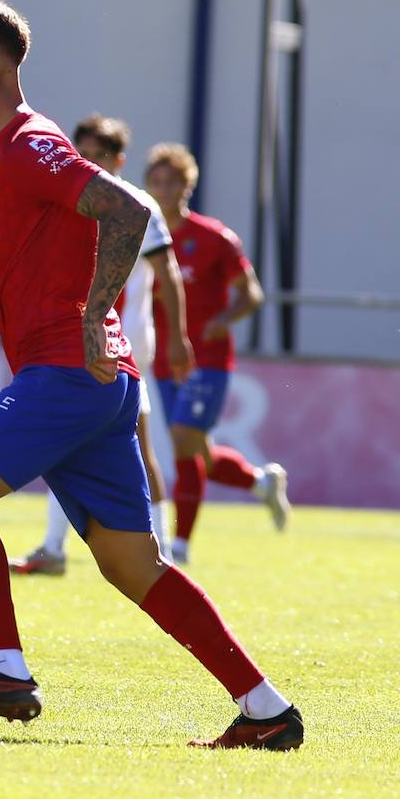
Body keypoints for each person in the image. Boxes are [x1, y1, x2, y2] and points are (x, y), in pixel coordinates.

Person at [0, 0, 303, 750]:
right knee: (133, 564)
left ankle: (4, 667)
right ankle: (266, 708)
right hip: (99, 388)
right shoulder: (1, 159)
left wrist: (92, 312)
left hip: (67, 375)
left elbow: (130, 210)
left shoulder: (28, 147)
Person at [9, 113, 194, 575]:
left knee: (140, 448)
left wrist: (180, 337)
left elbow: (167, 273)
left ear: (119, 161)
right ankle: (54, 548)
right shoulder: (68, 203)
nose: (90, 163)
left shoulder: (134, 204)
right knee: (62, 443)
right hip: (71, 344)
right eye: (83, 153)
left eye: (100, 156)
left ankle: (163, 553)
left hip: (124, 347)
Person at [145, 144, 291, 565]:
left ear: (188, 186)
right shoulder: (143, 236)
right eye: (156, 182)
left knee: (182, 440)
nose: (164, 189)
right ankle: (261, 482)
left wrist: (224, 319)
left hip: (207, 359)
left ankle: (181, 546)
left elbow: (252, 294)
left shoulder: (214, 238)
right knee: (198, 453)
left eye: (172, 181)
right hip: (162, 360)